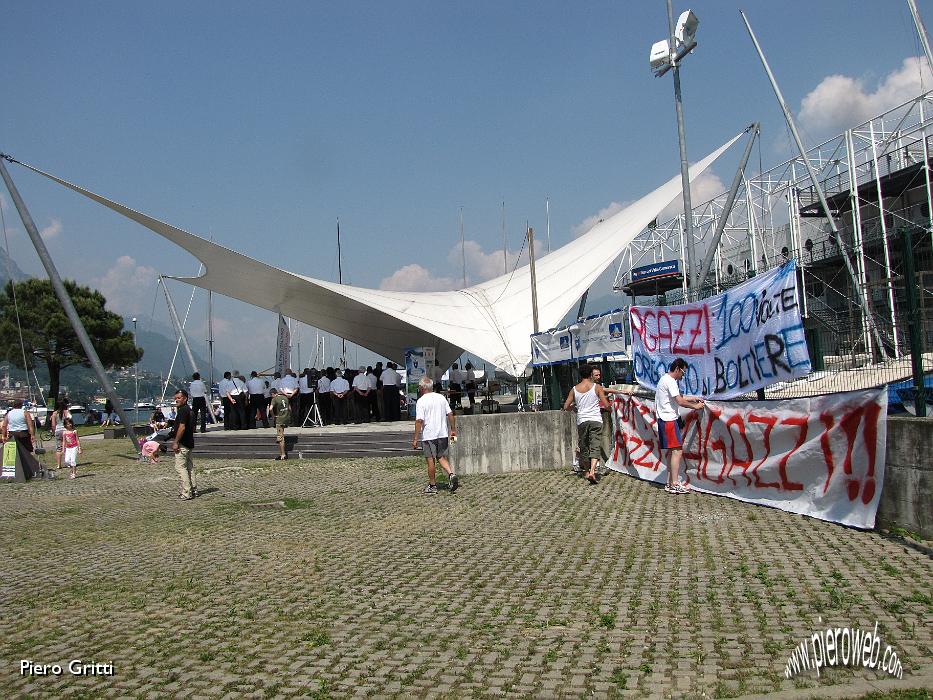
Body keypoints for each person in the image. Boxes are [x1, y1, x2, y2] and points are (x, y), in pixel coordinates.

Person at [655, 358, 704, 495]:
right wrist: (696, 406)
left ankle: (670, 482)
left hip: (665, 420)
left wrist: (692, 398)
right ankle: (675, 484)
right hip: (669, 420)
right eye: (683, 372)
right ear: (677, 369)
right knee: (677, 451)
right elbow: (679, 401)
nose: (683, 375)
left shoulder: (664, 379)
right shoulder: (670, 381)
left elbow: (677, 397)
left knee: (672, 451)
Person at [562, 363, 609, 484]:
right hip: (596, 420)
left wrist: (575, 408)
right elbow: (606, 404)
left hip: (582, 420)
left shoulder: (574, 389)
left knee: (584, 446)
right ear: (590, 374)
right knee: (595, 445)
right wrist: (610, 408)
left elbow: (566, 406)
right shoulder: (597, 387)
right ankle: (593, 471)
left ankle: (587, 471)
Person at [411, 376, 459, 495]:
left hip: (429, 435)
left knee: (430, 460)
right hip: (442, 433)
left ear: (422, 388)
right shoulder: (441, 398)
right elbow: (450, 414)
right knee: (441, 456)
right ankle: (451, 474)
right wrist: (453, 430)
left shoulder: (421, 401)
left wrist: (415, 439)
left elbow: (419, 421)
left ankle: (432, 485)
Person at [169, 389, 197, 500]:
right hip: (189, 442)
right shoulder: (190, 410)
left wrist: (176, 442)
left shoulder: (182, 411)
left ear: (185, 399)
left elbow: (182, 427)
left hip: (183, 443)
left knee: (181, 467)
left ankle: (187, 492)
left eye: (179, 398)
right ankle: (194, 489)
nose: (176, 400)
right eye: (175, 398)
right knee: (189, 467)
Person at [2, 399, 36, 463]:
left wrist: (4, 436)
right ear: (21, 405)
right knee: (26, 451)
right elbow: (30, 425)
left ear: (13, 405)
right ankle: (27, 464)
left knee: (13, 451)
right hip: (23, 434)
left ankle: (16, 465)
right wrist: (32, 435)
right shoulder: (25, 412)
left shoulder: (9, 413)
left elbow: (4, 426)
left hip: (12, 434)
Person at [50, 399, 72, 473]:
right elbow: (70, 420)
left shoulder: (54, 413)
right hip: (66, 430)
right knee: (67, 447)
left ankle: (58, 465)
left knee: (59, 448)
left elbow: (53, 425)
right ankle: (68, 463)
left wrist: (53, 431)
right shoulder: (66, 412)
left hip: (58, 431)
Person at [269, 388, 291, 460]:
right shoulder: (285, 397)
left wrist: (273, 416)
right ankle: (282, 454)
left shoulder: (274, 399)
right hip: (286, 418)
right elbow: (290, 408)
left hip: (280, 419)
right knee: (282, 435)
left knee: (280, 438)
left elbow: (270, 408)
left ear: (273, 394)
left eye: (271, 395)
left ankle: (283, 455)